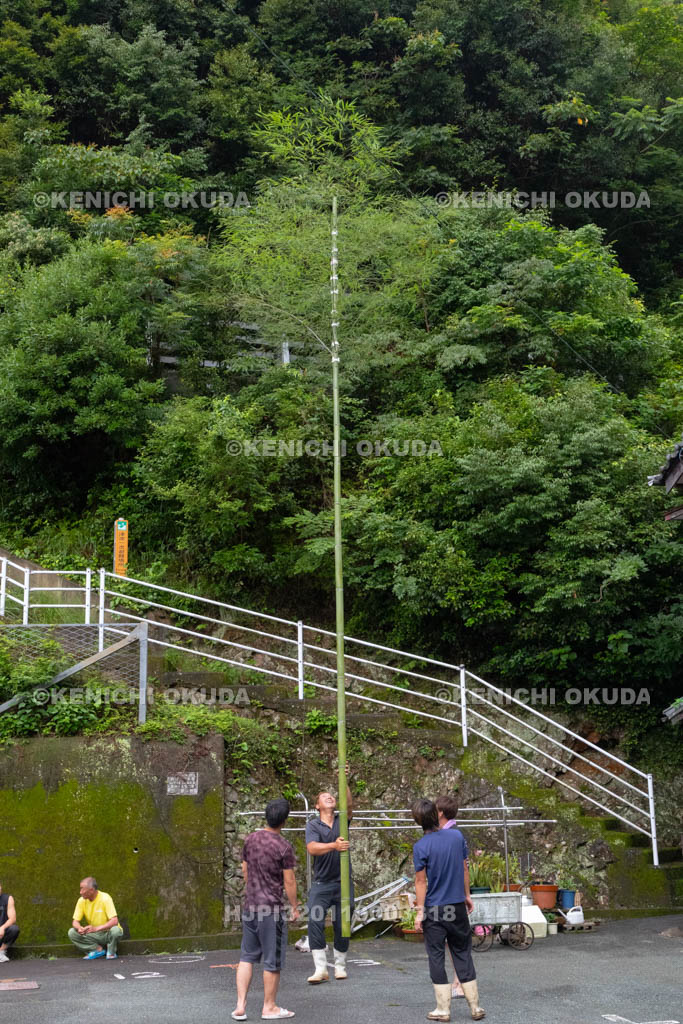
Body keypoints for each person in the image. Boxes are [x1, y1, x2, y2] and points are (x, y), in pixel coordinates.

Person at [412, 798, 485, 1022]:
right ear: (437, 814)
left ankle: (443, 1010)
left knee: (436, 956)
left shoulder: (420, 846)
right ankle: (475, 1006)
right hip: (457, 906)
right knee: (462, 952)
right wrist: (467, 895)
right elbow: (464, 868)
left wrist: (419, 912)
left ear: (418, 821)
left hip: (435, 909)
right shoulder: (456, 837)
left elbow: (421, 882)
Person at [233, 797, 299, 1021]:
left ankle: (240, 1005)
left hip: (250, 906)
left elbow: (245, 869)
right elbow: (289, 882)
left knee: (247, 956)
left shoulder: (250, 839)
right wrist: (295, 907)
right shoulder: (284, 846)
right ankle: (268, 1007)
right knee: (272, 960)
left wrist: (251, 888)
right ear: (284, 820)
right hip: (271, 909)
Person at [305, 764, 353, 984]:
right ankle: (321, 968)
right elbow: (312, 848)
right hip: (321, 882)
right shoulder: (313, 824)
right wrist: (334, 845)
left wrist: (343, 779)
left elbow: (349, 805)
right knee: (315, 919)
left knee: (342, 922)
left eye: (331, 795)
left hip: (343, 882)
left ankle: (340, 965)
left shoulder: (343, 820)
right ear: (317, 805)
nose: (329, 797)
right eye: (324, 796)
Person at [435, 793, 465, 1000]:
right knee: (454, 942)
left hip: (450, 896)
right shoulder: (454, 833)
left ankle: (460, 983)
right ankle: (458, 982)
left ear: (441, 813)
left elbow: (463, 867)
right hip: (454, 895)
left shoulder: (452, 835)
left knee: (456, 943)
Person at [68, 877, 124, 960]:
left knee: (116, 931)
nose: (80, 892)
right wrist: (80, 928)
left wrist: (96, 928)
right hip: (93, 934)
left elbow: (114, 921)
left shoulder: (105, 898)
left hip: (107, 933)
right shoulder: (81, 901)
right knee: (72, 932)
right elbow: (75, 921)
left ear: (91, 890)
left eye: (82, 889)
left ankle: (111, 952)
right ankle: (97, 950)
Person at [0, 882, 19, 963]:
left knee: (14, 929)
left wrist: (2, 928)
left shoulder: (8, 898)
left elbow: (12, 918)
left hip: (2, 933)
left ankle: (0, 952)